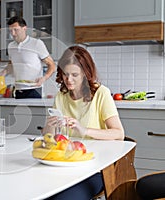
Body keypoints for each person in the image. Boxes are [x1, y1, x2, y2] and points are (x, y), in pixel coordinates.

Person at [43, 46, 125, 200]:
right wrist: (50, 126)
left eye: (75, 75)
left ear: (86, 74)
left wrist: (84, 130)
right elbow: (48, 137)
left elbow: (119, 133)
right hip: (63, 166)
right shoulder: (61, 96)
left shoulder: (101, 93)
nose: (69, 80)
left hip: (94, 169)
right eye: (65, 74)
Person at [0, 16, 56, 99]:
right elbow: (11, 63)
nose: (13, 34)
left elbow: (52, 65)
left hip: (34, 90)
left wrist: (44, 78)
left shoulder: (36, 43)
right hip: (18, 89)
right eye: (11, 31)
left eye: (16, 30)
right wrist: (3, 72)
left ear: (24, 28)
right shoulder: (11, 46)